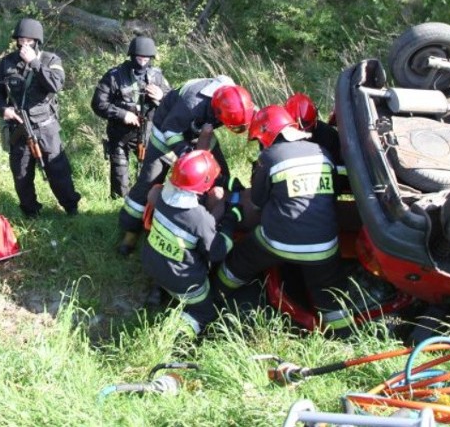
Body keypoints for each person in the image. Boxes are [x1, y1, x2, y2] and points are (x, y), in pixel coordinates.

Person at [216, 105, 353, 336]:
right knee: (329, 293)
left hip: (279, 242)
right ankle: (345, 337)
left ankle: (215, 296)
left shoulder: (269, 157)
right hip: (324, 247)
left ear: (267, 135)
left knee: (240, 260)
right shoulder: (323, 152)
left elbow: (258, 202)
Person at [117, 76, 255, 256]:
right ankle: (130, 234)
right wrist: (187, 155)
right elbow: (170, 131)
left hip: (201, 131)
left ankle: (210, 221)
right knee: (149, 182)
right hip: (166, 134)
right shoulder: (192, 102)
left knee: (219, 171)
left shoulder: (234, 99)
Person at [0, 17, 82, 217]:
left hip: (45, 126)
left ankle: (71, 208)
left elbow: (55, 85)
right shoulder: (7, 62)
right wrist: (3, 108)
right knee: (21, 173)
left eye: (29, 40)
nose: (24, 44)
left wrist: (35, 63)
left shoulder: (51, 60)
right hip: (18, 126)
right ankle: (30, 212)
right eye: (21, 40)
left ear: (37, 41)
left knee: (58, 170)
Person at [141, 149, 237, 337]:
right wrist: (231, 219)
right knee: (205, 312)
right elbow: (218, 252)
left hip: (151, 264)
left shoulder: (161, 197)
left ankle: (158, 290)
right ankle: (175, 337)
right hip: (183, 281)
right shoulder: (199, 219)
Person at [91, 36, 171, 199]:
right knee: (120, 176)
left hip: (149, 133)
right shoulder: (114, 76)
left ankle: (146, 205)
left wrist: (162, 96)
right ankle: (118, 206)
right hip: (120, 134)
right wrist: (122, 114)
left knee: (150, 175)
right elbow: (98, 103)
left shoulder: (157, 76)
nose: (142, 62)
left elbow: (173, 102)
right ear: (132, 56)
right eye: (139, 58)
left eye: (146, 58)